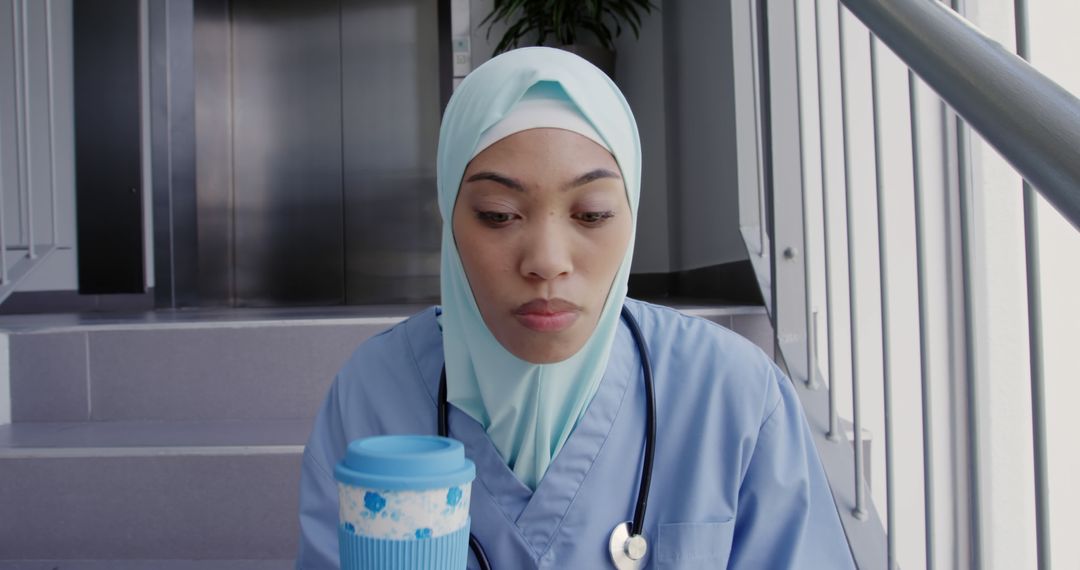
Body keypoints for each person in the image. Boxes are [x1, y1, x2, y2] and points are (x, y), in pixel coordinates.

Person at [296, 47, 854, 569]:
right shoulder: (373, 395)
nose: (546, 261)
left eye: (591, 214)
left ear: (630, 214)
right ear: (450, 219)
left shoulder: (733, 394)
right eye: (497, 214)